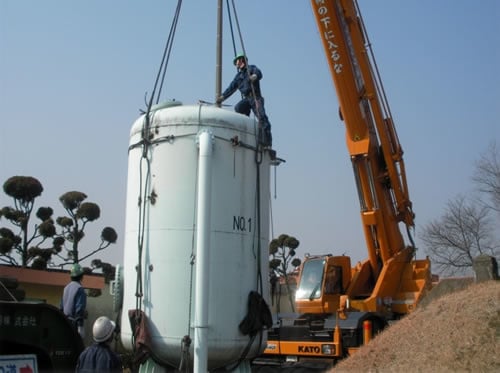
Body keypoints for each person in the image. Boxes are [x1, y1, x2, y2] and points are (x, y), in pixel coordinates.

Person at [216, 53, 272, 147]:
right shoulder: (238, 77)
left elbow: (259, 73)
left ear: (241, 60)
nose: (236, 64)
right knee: (238, 108)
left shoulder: (251, 68)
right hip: (247, 99)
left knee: (262, 117)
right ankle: (245, 124)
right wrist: (223, 97)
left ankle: (267, 141)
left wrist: (254, 76)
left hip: (255, 97)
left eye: (237, 61)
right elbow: (231, 88)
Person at [60, 263, 87, 339]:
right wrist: (80, 327)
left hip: (64, 323)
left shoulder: (66, 288)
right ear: (81, 276)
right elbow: (79, 310)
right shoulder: (79, 289)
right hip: (74, 325)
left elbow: (61, 308)